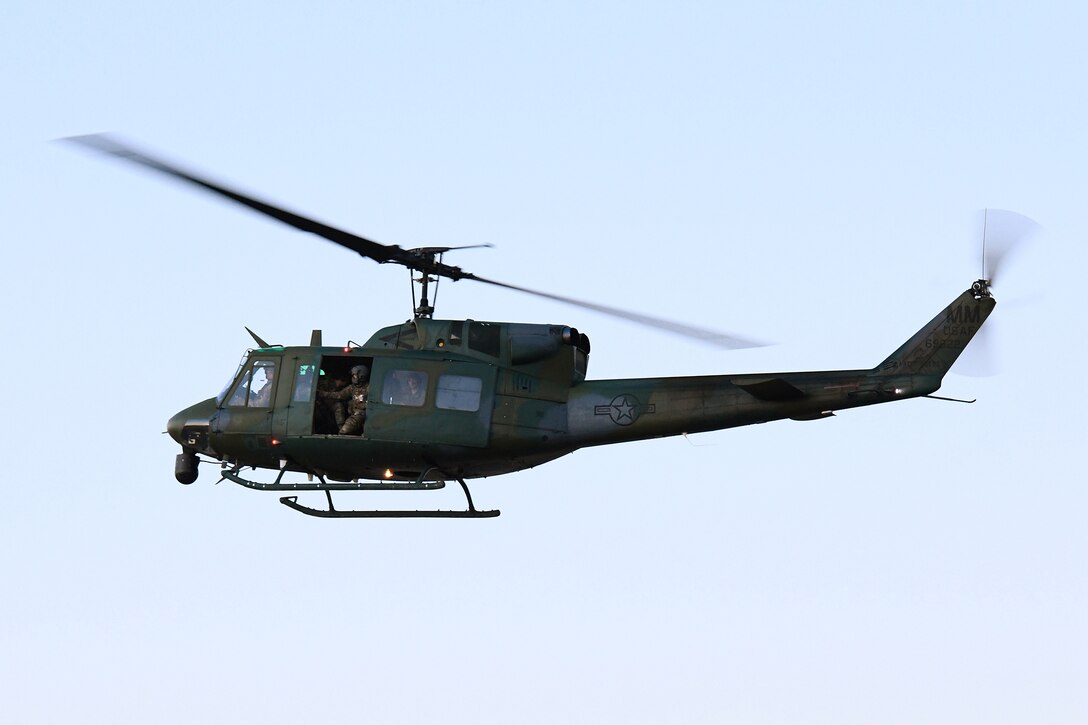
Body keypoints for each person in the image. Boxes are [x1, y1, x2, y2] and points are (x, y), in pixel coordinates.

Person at [319, 364, 370, 435]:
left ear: (361, 376)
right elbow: (340, 395)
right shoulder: (352, 387)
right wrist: (322, 394)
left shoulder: (369, 388)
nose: (353, 377)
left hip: (363, 413)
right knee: (344, 431)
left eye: (354, 375)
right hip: (356, 414)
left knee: (344, 431)